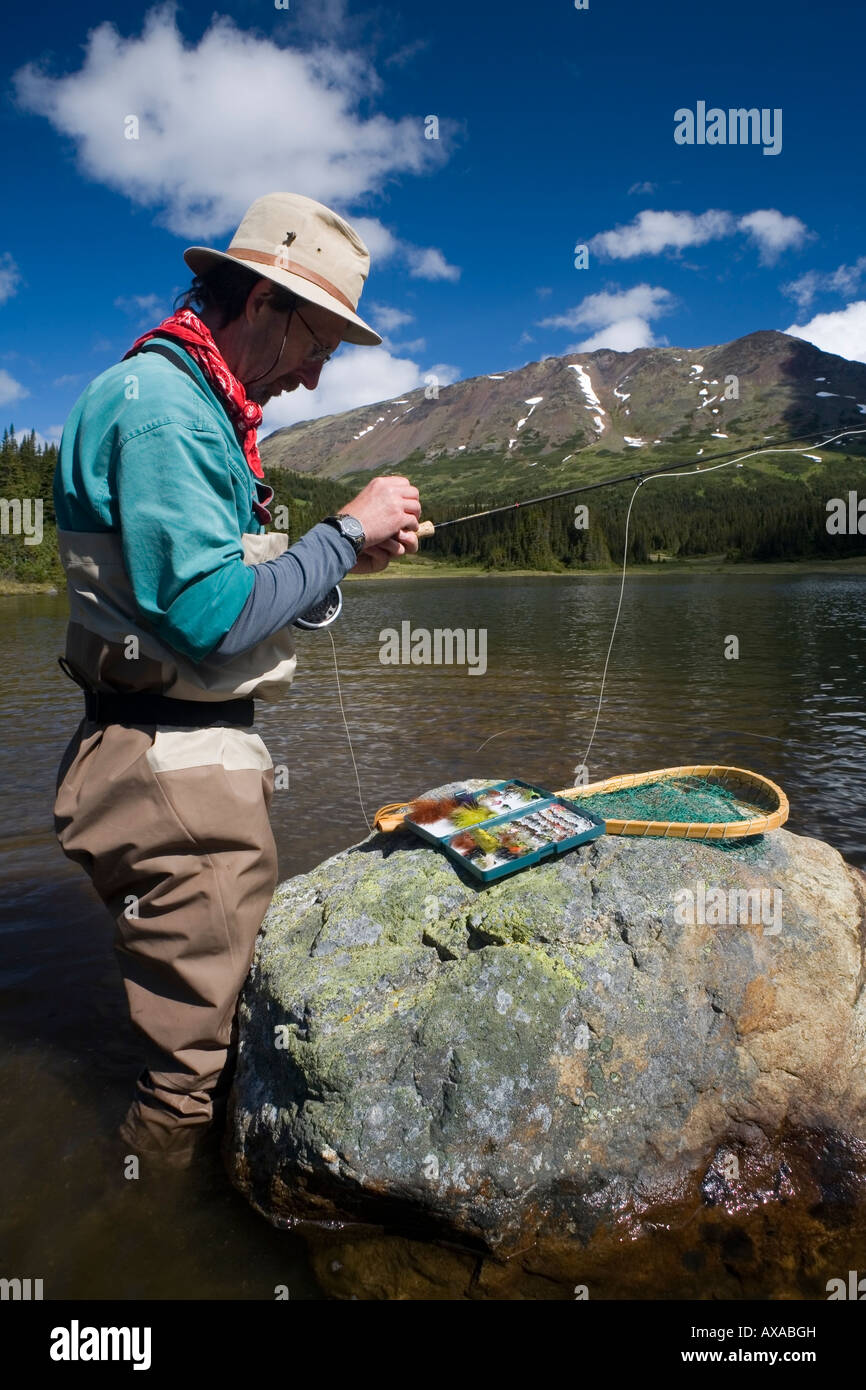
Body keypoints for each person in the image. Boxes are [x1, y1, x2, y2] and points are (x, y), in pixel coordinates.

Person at [52, 192, 421, 1170]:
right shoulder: (166, 412)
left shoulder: (197, 403)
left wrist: (333, 568)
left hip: (175, 760)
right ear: (259, 298)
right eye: (317, 342)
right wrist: (341, 535)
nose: (313, 375)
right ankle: (136, 1241)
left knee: (203, 1040)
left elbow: (223, 591)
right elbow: (215, 625)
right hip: (167, 771)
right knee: (194, 1075)